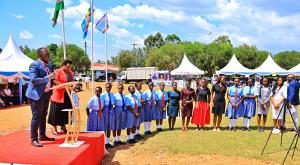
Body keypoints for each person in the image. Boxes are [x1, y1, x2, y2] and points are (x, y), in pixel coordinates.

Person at [26, 48, 55, 147]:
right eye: (46, 54)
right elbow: (34, 80)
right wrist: (48, 77)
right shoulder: (34, 65)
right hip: (36, 95)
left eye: (48, 54)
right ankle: (33, 139)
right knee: (36, 116)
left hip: (46, 94)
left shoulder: (50, 65)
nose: (48, 55)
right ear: (40, 55)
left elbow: (52, 78)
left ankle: (42, 135)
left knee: (43, 115)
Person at [48, 59, 74, 135]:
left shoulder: (70, 73)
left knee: (66, 112)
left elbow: (72, 81)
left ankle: (63, 127)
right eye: (67, 66)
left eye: (70, 67)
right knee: (56, 112)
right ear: (63, 65)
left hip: (68, 95)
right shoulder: (57, 71)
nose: (69, 68)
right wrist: (64, 86)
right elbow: (54, 81)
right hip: (59, 95)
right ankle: (54, 128)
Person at [101, 83, 115, 148]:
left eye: (109, 87)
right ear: (105, 87)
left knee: (109, 127)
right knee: (105, 127)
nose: (108, 88)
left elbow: (113, 103)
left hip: (111, 110)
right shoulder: (103, 95)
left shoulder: (112, 95)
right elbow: (101, 105)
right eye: (107, 87)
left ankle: (107, 142)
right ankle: (103, 143)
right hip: (105, 110)